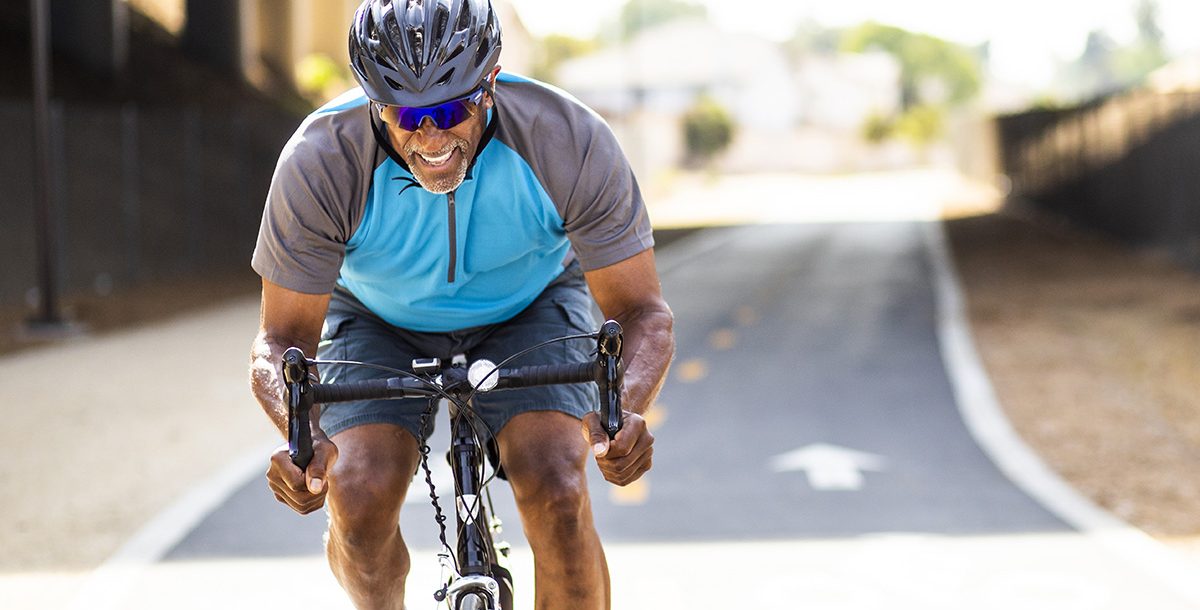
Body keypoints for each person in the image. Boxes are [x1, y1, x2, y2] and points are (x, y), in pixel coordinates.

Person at [248, 0, 674, 608]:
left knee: (556, 485)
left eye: (451, 109)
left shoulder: (567, 138)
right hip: (376, 317)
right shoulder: (321, 160)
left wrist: (623, 411)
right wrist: (303, 435)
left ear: (491, 84)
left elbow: (643, 313)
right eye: (406, 114)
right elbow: (279, 340)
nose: (431, 137)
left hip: (527, 310)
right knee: (359, 493)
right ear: (374, 103)